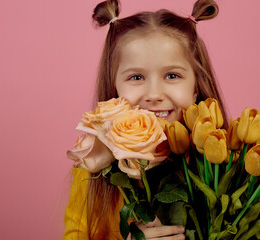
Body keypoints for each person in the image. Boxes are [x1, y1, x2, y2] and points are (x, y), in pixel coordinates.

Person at [63, 0, 228, 239]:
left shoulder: (222, 165)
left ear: (196, 87)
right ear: (115, 89)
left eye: (172, 75)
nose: (153, 95)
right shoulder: (93, 164)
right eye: (136, 77)